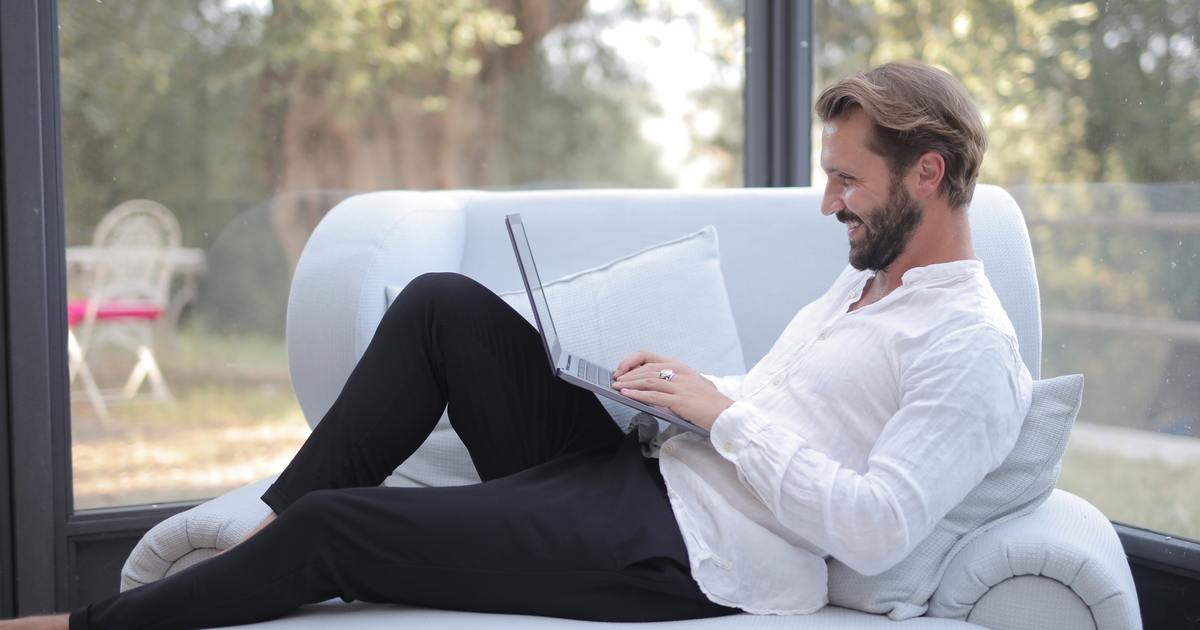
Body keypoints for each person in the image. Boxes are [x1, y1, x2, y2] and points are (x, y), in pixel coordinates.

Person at [3, 60, 1031, 630]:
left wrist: (727, 412)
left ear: (928, 175)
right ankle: (265, 526)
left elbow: (881, 527)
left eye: (849, 181)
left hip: (696, 556)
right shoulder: (864, 283)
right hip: (655, 470)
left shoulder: (969, 348)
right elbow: (783, 413)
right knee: (443, 302)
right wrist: (679, 391)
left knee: (339, 532)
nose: (829, 203)